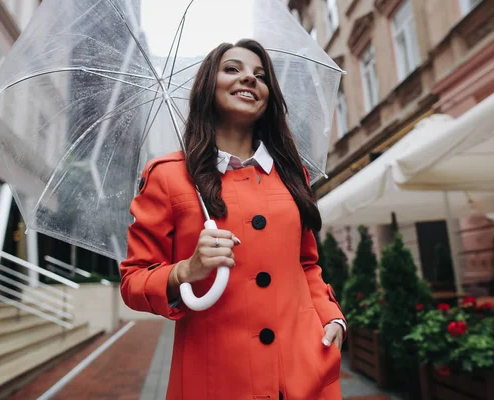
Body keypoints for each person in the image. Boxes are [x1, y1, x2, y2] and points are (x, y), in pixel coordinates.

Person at [120, 39, 346, 400]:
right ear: (208, 85)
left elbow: (306, 263)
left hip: (303, 368)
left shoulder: (292, 173)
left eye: (260, 75)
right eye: (232, 69)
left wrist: (330, 315)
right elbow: (133, 281)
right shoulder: (168, 175)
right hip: (218, 378)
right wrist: (185, 271)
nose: (249, 79)